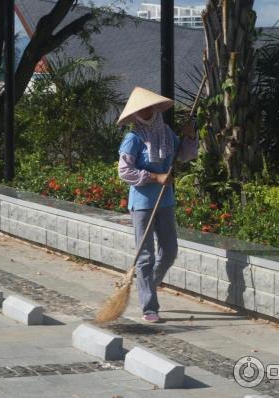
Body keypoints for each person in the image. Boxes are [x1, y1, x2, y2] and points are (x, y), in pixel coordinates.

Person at [117, 87, 198, 323]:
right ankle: (149, 306)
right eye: (142, 109)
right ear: (136, 114)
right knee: (145, 256)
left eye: (149, 107)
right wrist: (155, 177)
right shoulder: (133, 139)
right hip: (142, 204)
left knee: (169, 251)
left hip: (165, 201)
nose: (147, 111)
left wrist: (190, 136)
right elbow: (125, 171)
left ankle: (148, 285)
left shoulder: (167, 133)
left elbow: (184, 155)